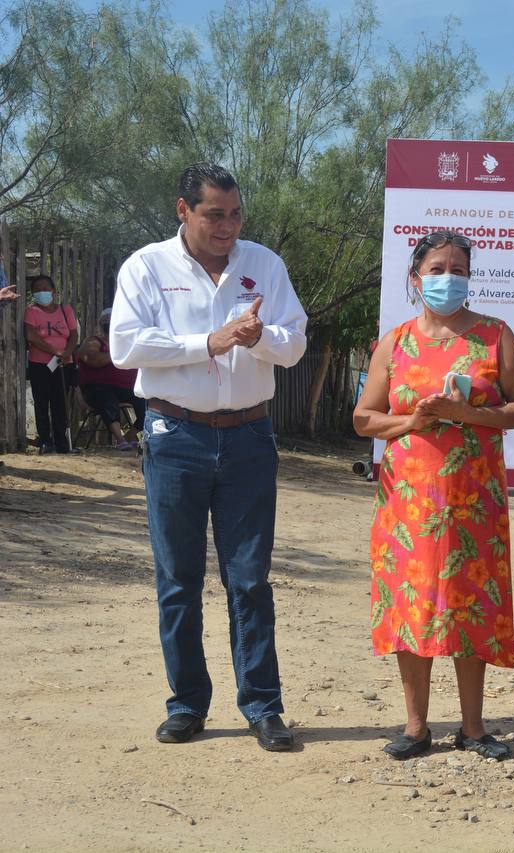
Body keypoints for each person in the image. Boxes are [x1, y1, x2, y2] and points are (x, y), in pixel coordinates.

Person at [110, 163, 308, 751]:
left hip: (249, 437)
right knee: (178, 579)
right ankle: (188, 703)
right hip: (175, 434)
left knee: (249, 579)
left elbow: (294, 343)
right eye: (213, 214)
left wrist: (261, 338)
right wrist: (209, 342)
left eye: (236, 214)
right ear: (183, 211)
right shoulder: (147, 266)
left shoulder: (265, 265)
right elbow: (125, 345)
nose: (227, 227)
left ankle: (263, 706)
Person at [353, 231, 514, 761]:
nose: (447, 278)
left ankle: (474, 727)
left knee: (469, 603)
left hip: (472, 496)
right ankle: (415, 727)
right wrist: (411, 420)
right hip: (407, 499)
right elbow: (363, 415)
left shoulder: (494, 335)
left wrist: (470, 414)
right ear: (415, 278)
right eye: (436, 269)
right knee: (411, 604)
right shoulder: (395, 341)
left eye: (457, 268)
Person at [24, 274, 78, 454]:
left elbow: (73, 335)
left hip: (64, 363)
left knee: (60, 403)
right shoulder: (31, 312)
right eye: (37, 290)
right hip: (40, 364)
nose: (42, 293)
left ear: (53, 291)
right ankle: (45, 441)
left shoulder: (66, 310)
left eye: (45, 289)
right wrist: (54, 351)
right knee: (41, 402)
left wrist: (67, 353)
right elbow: (31, 336)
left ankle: (62, 442)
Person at [78, 307, 146, 449]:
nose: (110, 324)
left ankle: (131, 435)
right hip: (96, 388)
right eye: (106, 322)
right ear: (101, 324)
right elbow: (93, 359)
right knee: (107, 397)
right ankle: (120, 440)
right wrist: (117, 354)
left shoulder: (126, 343)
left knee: (146, 401)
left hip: (125, 388)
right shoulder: (94, 341)